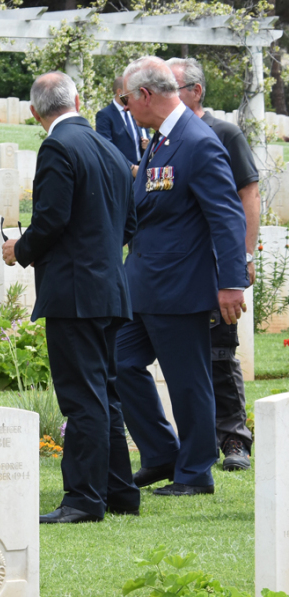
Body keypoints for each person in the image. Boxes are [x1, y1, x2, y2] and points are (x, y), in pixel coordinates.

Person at [2, 71, 139, 524]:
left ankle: (83, 499)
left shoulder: (57, 146)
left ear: (34, 112)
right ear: (77, 101)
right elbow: (129, 224)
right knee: (106, 393)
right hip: (110, 288)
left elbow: (51, 219)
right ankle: (119, 491)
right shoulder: (112, 149)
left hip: (75, 294)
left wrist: (19, 249)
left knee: (82, 398)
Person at [115, 56, 248, 497]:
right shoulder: (162, 138)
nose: (124, 107)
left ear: (145, 95)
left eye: (126, 99)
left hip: (179, 286)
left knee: (188, 381)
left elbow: (227, 216)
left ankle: (194, 472)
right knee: (119, 363)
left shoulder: (197, 141)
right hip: (143, 283)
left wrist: (231, 283)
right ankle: (161, 454)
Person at [165, 57, 257, 472]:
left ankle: (234, 438)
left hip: (217, 264)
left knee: (221, 352)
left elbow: (248, 196)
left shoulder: (223, 133)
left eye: (172, 87)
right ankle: (193, 441)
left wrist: (245, 256)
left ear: (196, 91)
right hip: (178, 268)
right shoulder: (164, 138)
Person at [95, 76, 150, 177]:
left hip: (143, 170)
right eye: (129, 91)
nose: (134, 95)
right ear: (120, 92)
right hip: (121, 173)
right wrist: (131, 168)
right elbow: (106, 148)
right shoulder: (105, 115)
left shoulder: (136, 110)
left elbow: (146, 134)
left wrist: (148, 144)